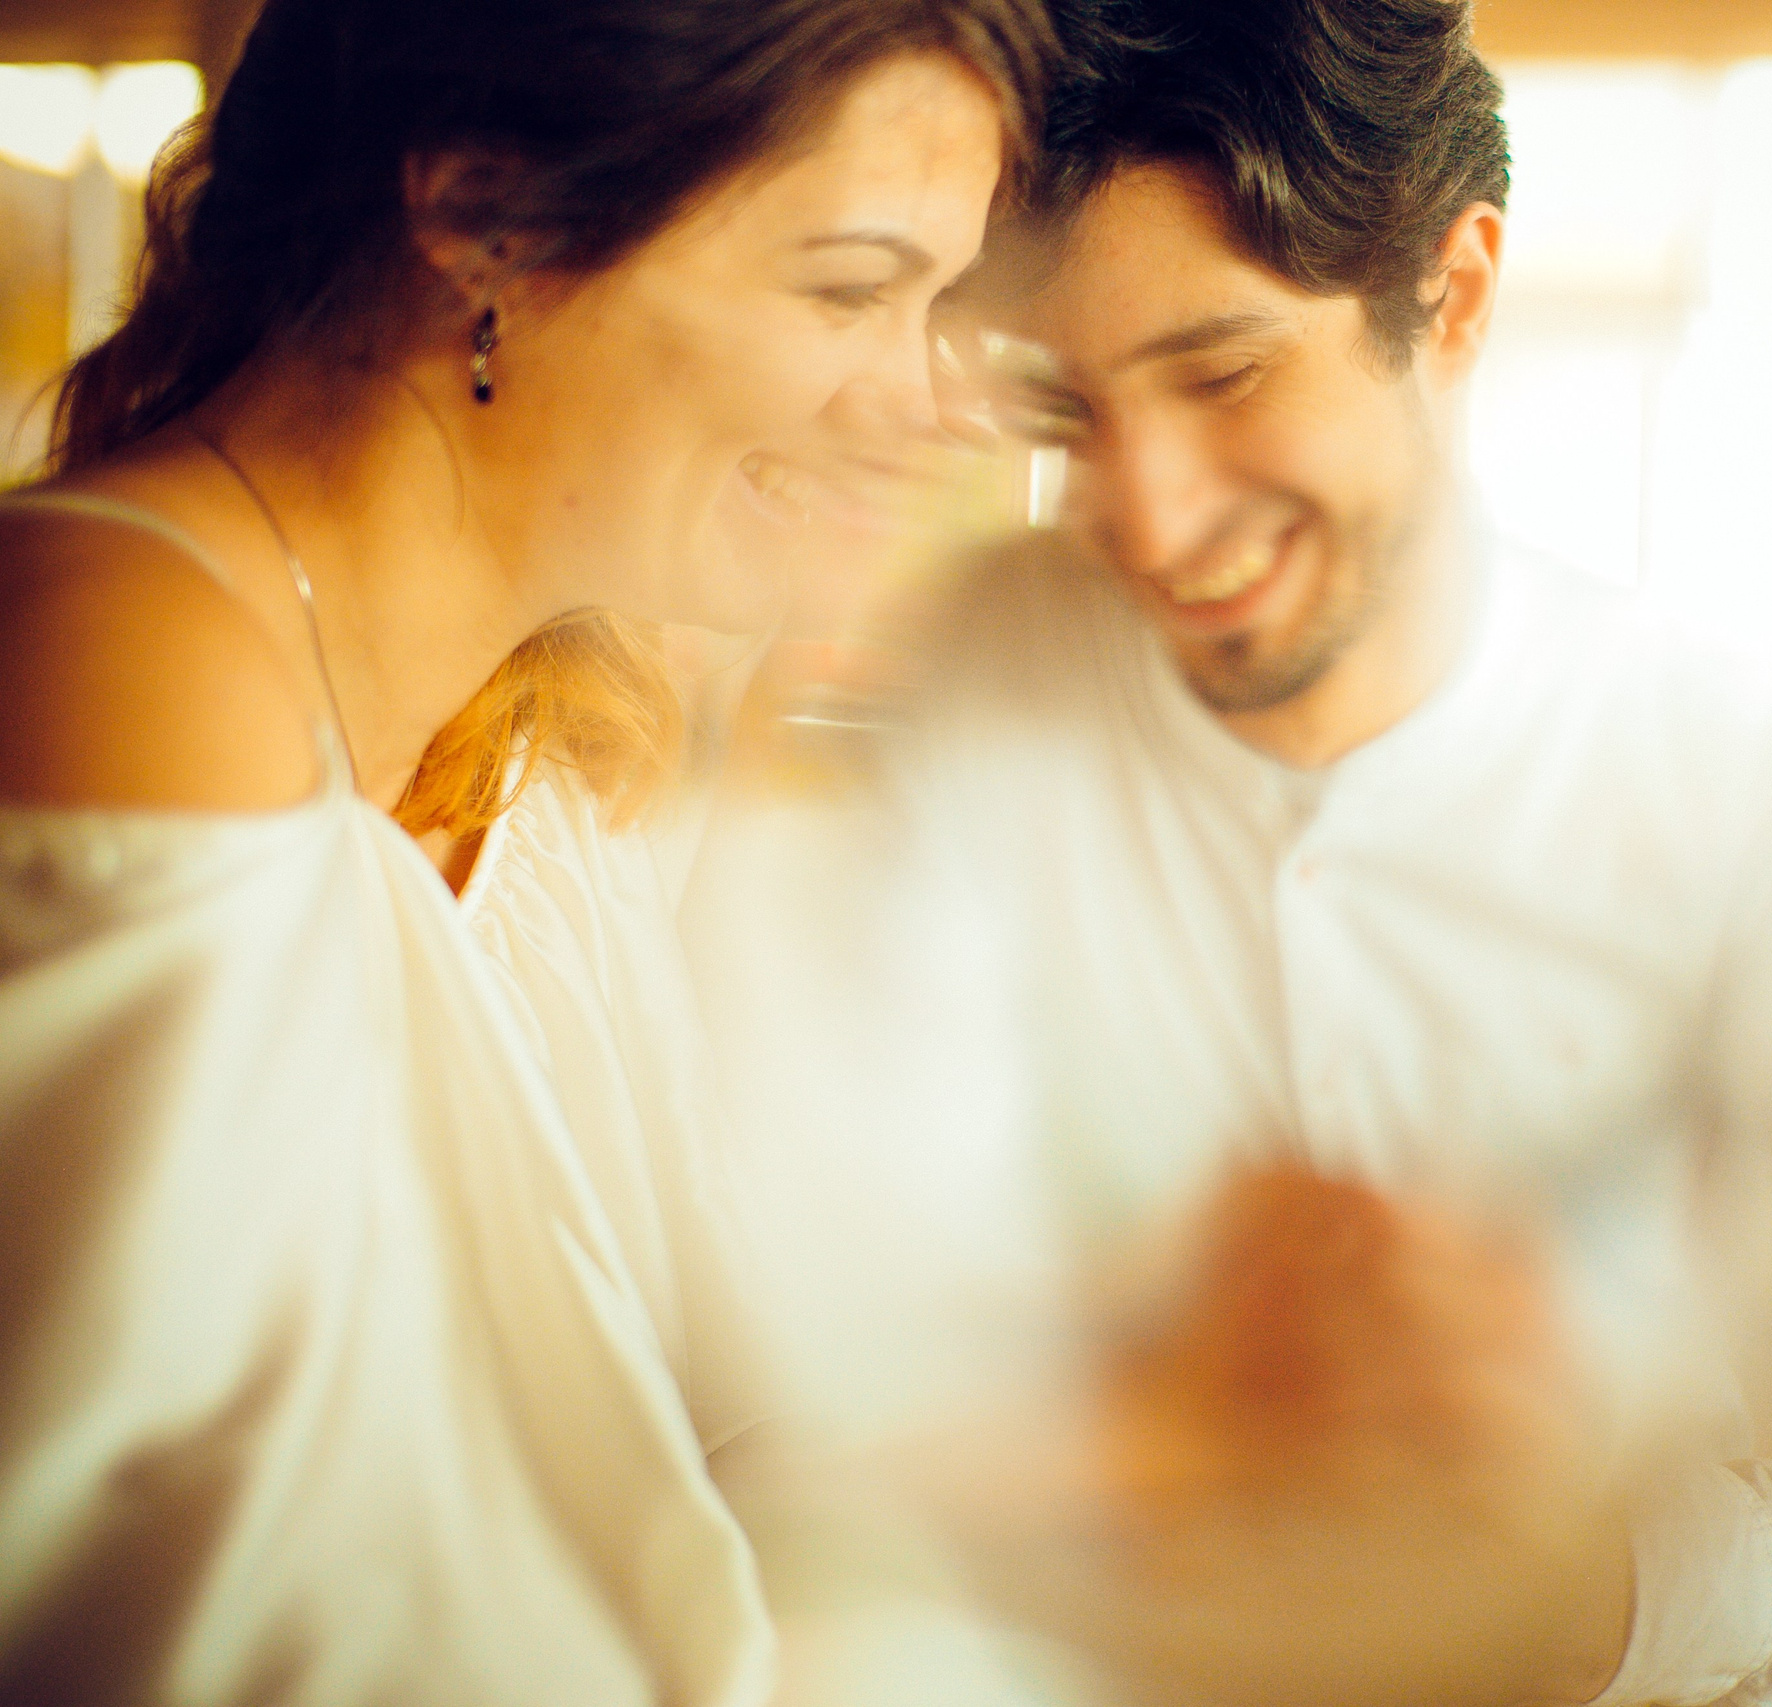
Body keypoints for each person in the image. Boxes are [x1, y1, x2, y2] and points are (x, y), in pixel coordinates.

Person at [684, 4, 1772, 1705]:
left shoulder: (1759, 776)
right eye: (1070, 408)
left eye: (1223, 373)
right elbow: (781, 1365)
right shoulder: (958, 699)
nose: (1147, 516)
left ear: (1459, 293)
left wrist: (1625, 1597)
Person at [0, 0, 1049, 1697]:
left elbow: (702, 1428)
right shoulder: (122, 661)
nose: (931, 402)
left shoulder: (548, 775)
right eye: (852, 287)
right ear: (486, 213)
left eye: (942, 303)